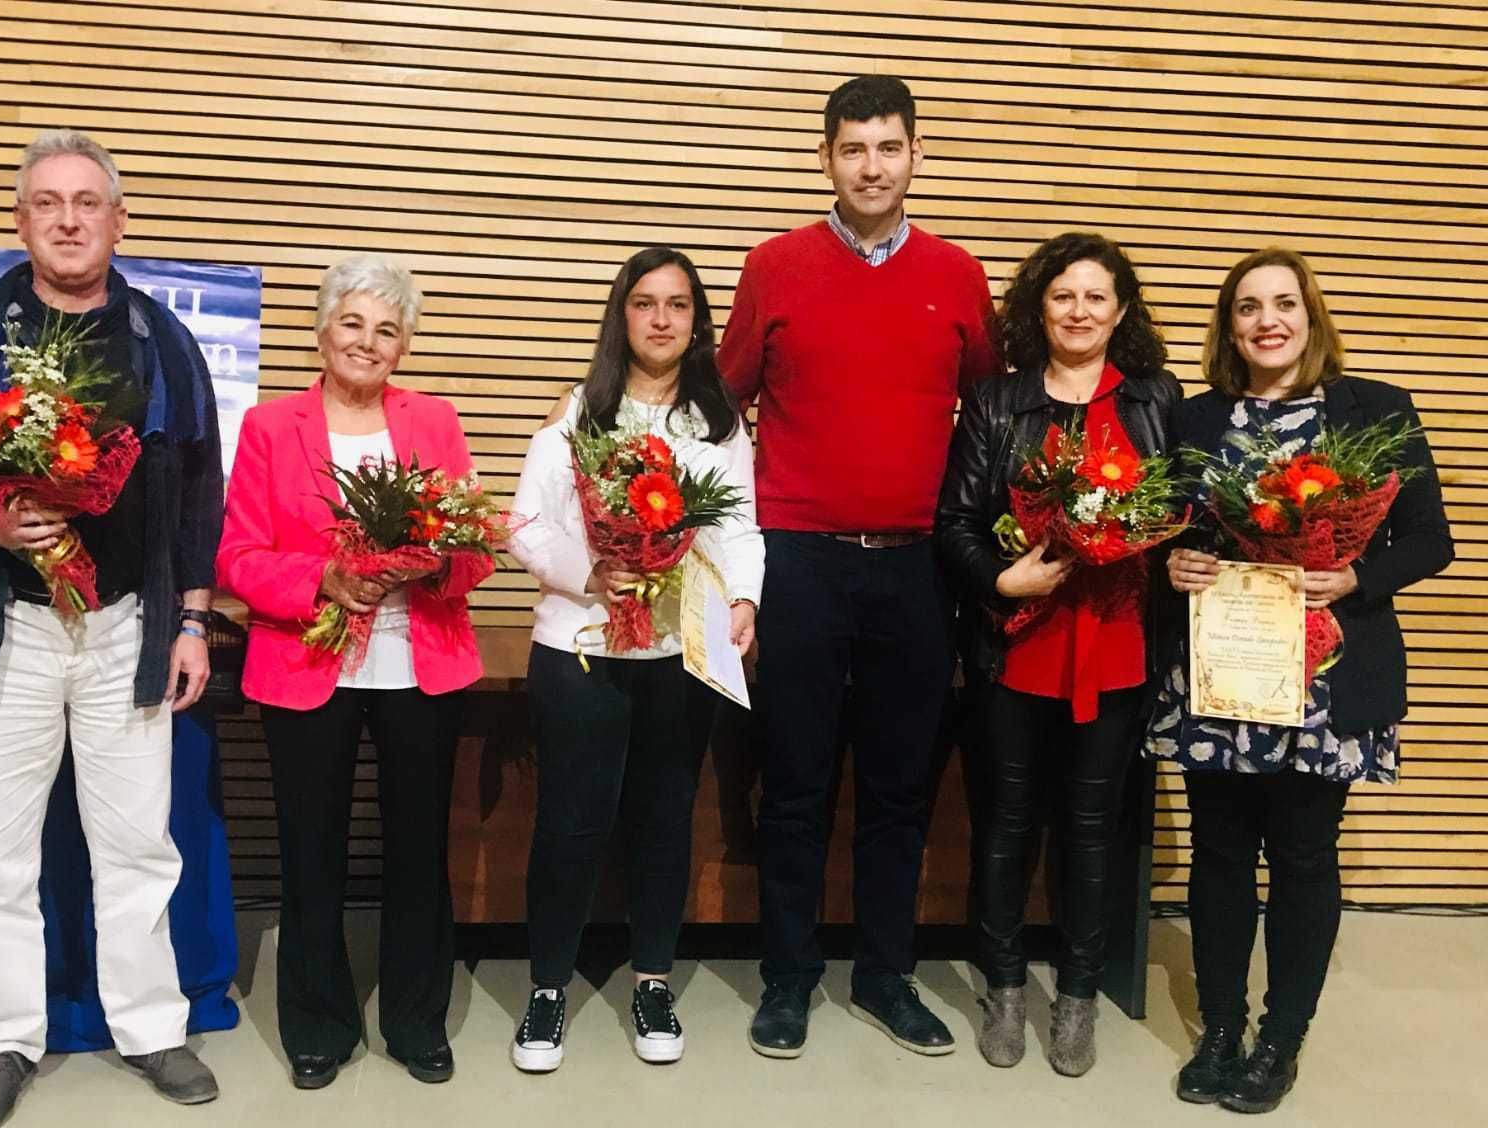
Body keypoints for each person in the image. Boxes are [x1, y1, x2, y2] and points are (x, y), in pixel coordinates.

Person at [0, 129, 223, 1124]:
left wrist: (194, 621)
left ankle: (150, 1027)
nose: (69, 220)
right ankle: (0, 1043)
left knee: (135, 845)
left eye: (87, 202)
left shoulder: (164, 342)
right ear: (21, 219)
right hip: (4, 629)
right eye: (47, 202)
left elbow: (200, 494)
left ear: (118, 221)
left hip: (127, 629)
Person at [719, 75, 999, 1058]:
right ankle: (788, 979)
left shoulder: (958, 277)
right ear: (826, 158)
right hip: (799, 565)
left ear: (915, 153)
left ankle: (885, 975)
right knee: (793, 785)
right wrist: (585, 410)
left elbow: (993, 422)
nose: (871, 166)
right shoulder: (775, 268)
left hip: (917, 574)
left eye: (888, 147)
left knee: (896, 789)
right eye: (852, 149)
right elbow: (716, 410)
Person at [1150, 247, 1453, 1113]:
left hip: (1325, 679)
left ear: (1312, 316)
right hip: (1222, 673)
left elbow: (1432, 540)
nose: (1267, 321)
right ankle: (1219, 1031)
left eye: (1284, 303)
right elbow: (1171, 532)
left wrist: (1359, 576)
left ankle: (1279, 1039)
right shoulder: (1196, 417)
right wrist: (1175, 564)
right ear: (1229, 326)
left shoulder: (1377, 410)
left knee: (1303, 855)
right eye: (1248, 307)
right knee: (1217, 855)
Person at [215, 254, 493, 1090]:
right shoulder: (271, 428)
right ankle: (318, 1025)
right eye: (353, 323)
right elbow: (236, 559)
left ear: (403, 344)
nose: (368, 342)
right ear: (322, 329)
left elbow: (474, 549)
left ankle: (416, 1020)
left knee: (418, 852)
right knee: (311, 854)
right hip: (309, 663)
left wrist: (433, 564)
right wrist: (325, 580)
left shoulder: (436, 422)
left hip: (422, 662)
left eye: (387, 329)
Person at [505, 246, 762, 1071]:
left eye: (678, 305)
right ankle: (548, 989)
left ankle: (652, 979)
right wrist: (592, 573)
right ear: (622, 316)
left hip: (679, 653)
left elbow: (741, 527)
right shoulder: (577, 411)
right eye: (645, 303)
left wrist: (746, 600)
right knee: (570, 825)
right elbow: (526, 526)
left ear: (697, 321)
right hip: (581, 650)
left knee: (662, 823)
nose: (661, 319)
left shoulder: (719, 423)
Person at [935, 232, 1181, 1075]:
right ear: (1040, 307)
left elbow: (1184, 511)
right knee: (1004, 825)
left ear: (1120, 311)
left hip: (1117, 651)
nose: (1079, 311)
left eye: (1096, 297)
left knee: (1090, 829)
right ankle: (1005, 988)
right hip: (1018, 648)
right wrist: (1000, 582)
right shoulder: (997, 402)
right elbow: (955, 521)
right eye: (1062, 296)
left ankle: (1075, 996)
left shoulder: (1155, 400)